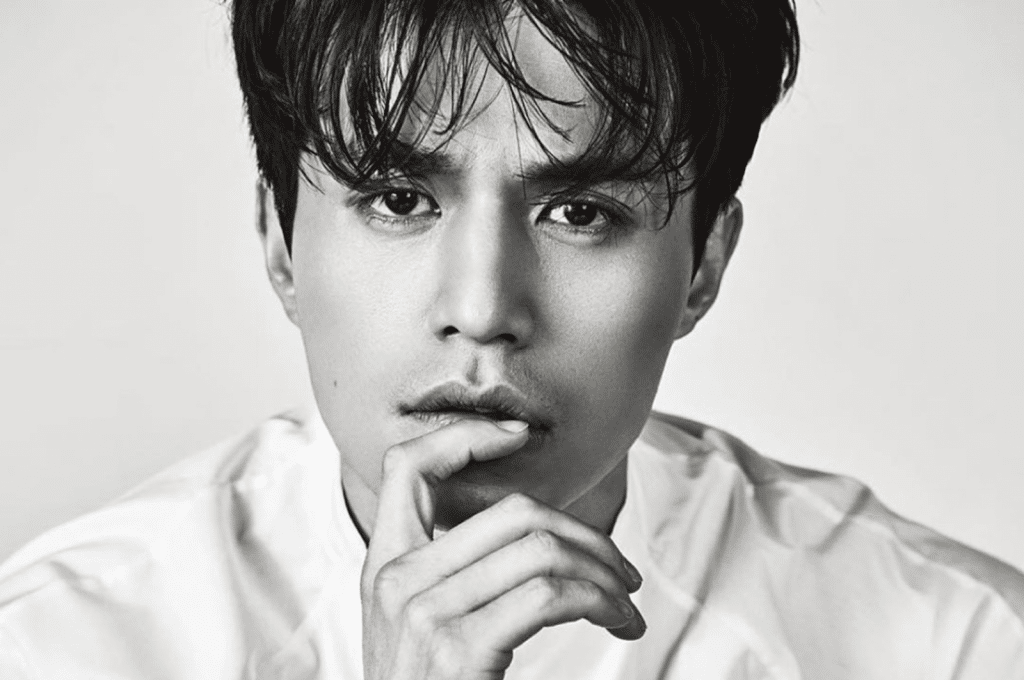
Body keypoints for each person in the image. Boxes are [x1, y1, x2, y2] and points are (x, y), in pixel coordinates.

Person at [1, 0, 1022, 678]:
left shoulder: (954, 643)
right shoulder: (61, 645)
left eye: (581, 212)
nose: (483, 307)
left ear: (703, 263)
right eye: (398, 198)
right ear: (279, 242)